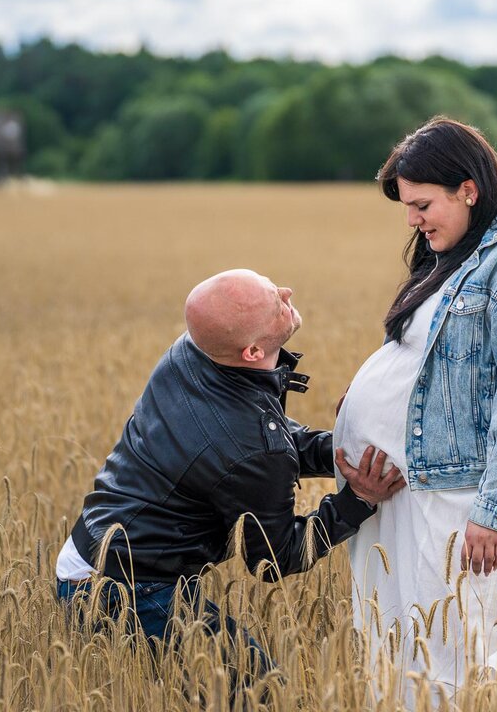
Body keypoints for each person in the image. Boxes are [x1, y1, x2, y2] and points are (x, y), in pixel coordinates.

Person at [333, 117, 497, 705]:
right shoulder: (464, 246)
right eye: (406, 207)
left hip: (464, 501)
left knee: (477, 658)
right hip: (421, 495)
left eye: (422, 204)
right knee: (422, 654)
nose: (413, 221)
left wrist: (495, 513)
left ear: (467, 189)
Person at [56, 268, 404, 692]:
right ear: (254, 351)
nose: (286, 291)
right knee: (261, 693)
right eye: (273, 302)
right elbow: (276, 558)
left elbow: (260, 438)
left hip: (92, 552)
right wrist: (359, 499)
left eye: (270, 285)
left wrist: (345, 444)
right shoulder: (251, 447)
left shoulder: (194, 352)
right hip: (123, 587)